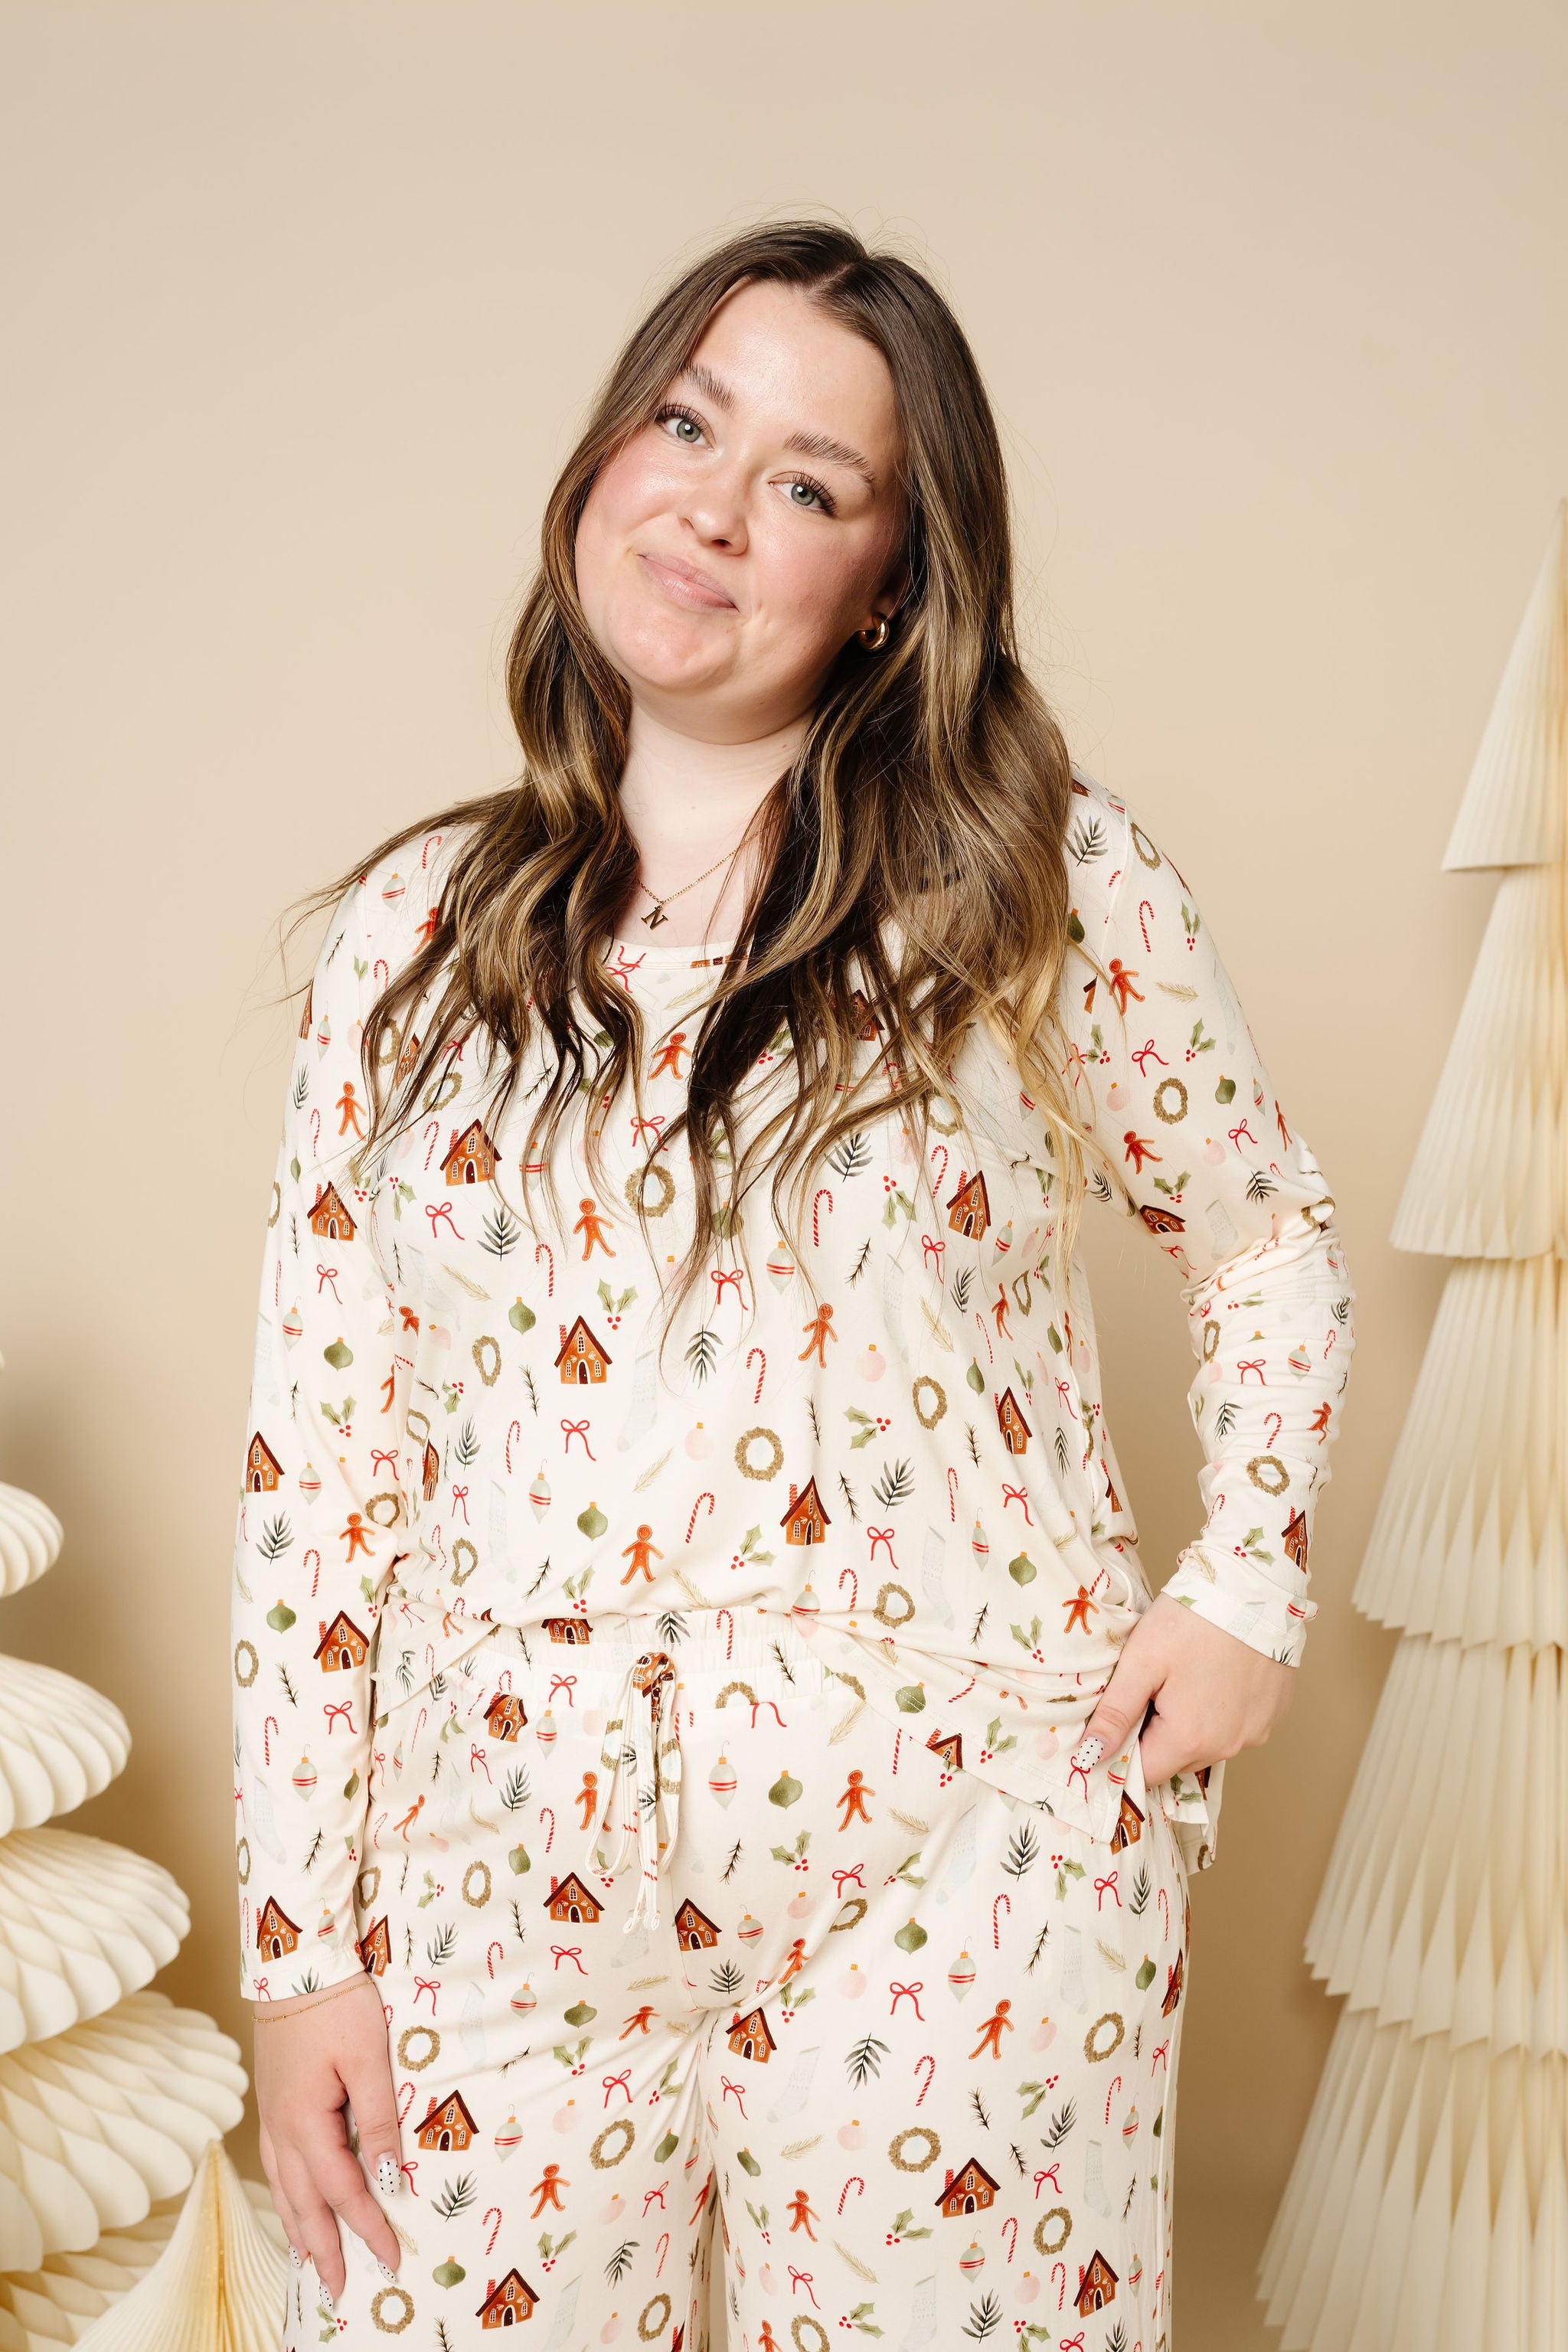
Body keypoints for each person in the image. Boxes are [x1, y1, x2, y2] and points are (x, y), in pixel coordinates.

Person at [234, 219, 1356, 2350]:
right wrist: (305, 1951)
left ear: (891, 586)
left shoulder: (1033, 882)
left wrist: (1249, 1583)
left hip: (968, 1880)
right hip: (493, 1896)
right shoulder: (405, 943)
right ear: (604, 457)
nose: (717, 509)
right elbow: (321, 1476)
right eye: (686, 423)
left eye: (813, 486)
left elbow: (1267, 1233)